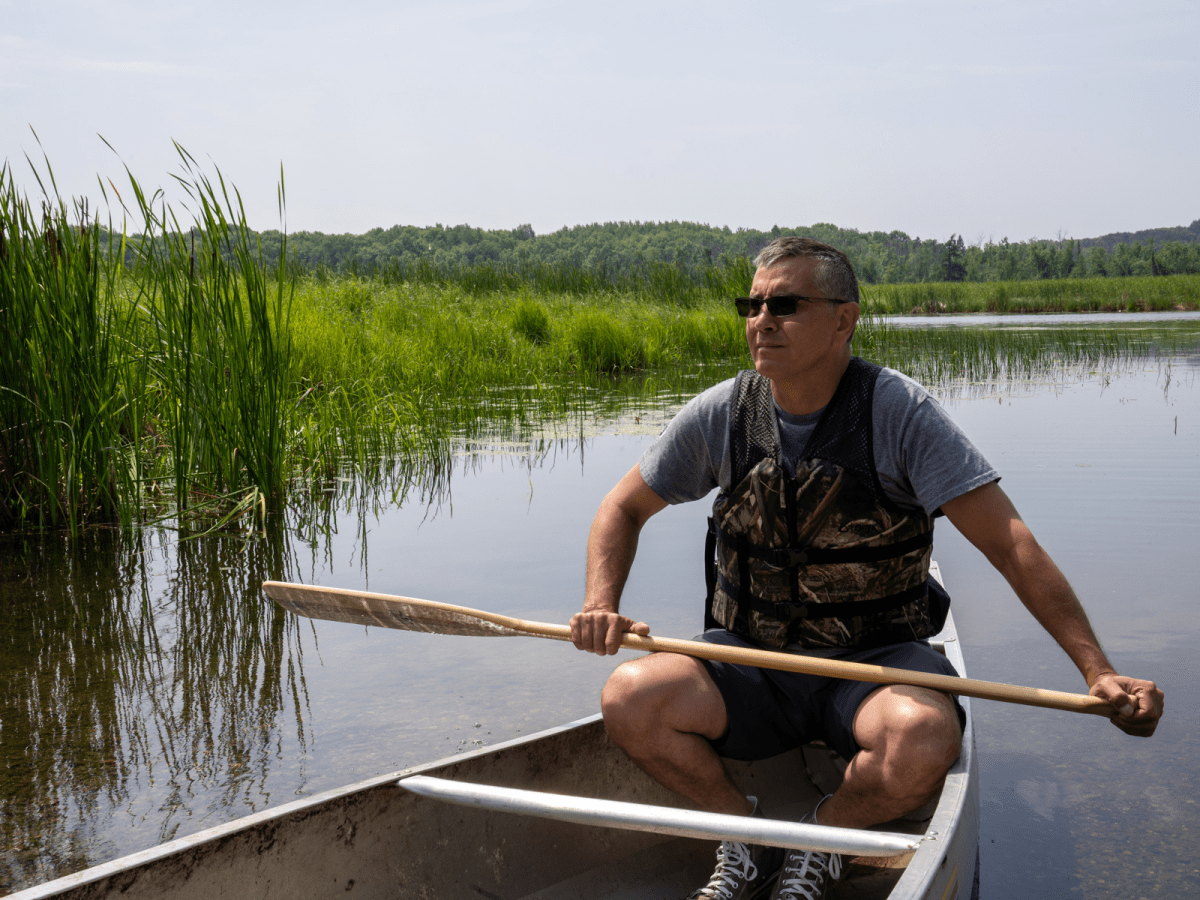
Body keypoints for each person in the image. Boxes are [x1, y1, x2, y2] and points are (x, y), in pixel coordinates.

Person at [569, 237, 1164, 900]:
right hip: (750, 659)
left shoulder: (898, 414)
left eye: (785, 304)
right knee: (629, 699)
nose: (762, 319)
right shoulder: (724, 414)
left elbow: (1012, 547)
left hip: (876, 664)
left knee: (922, 737)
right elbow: (621, 508)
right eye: (753, 303)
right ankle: (747, 834)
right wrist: (601, 600)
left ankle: (824, 838)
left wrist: (1097, 670)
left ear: (844, 320)